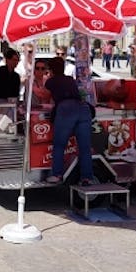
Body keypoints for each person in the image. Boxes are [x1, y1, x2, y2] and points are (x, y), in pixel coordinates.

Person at [44, 55, 93, 186]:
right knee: (84, 147)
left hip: (66, 109)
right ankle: (87, 177)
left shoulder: (50, 82)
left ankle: (57, 174)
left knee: (59, 144)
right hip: (83, 109)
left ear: (51, 70)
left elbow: (45, 97)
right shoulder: (70, 79)